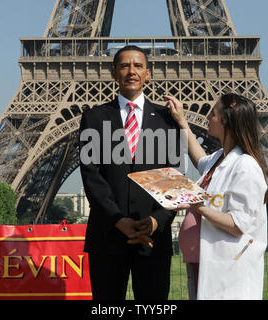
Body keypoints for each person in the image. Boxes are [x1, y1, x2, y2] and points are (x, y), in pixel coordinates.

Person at [79, 46, 181, 300]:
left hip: (153, 237)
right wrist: (117, 219)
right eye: (124, 66)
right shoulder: (93, 118)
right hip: (108, 235)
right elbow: (91, 175)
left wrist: (157, 220)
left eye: (137, 66)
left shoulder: (168, 120)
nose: (131, 71)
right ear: (113, 73)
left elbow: (174, 177)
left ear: (148, 73)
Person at [164, 93, 268, 300]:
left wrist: (195, 204)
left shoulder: (246, 166)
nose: (207, 118)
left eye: (212, 113)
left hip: (227, 272)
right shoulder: (219, 159)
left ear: (226, 121)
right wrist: (181, 120)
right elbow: (199, 158)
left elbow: (238, 224)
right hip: (204, 265)